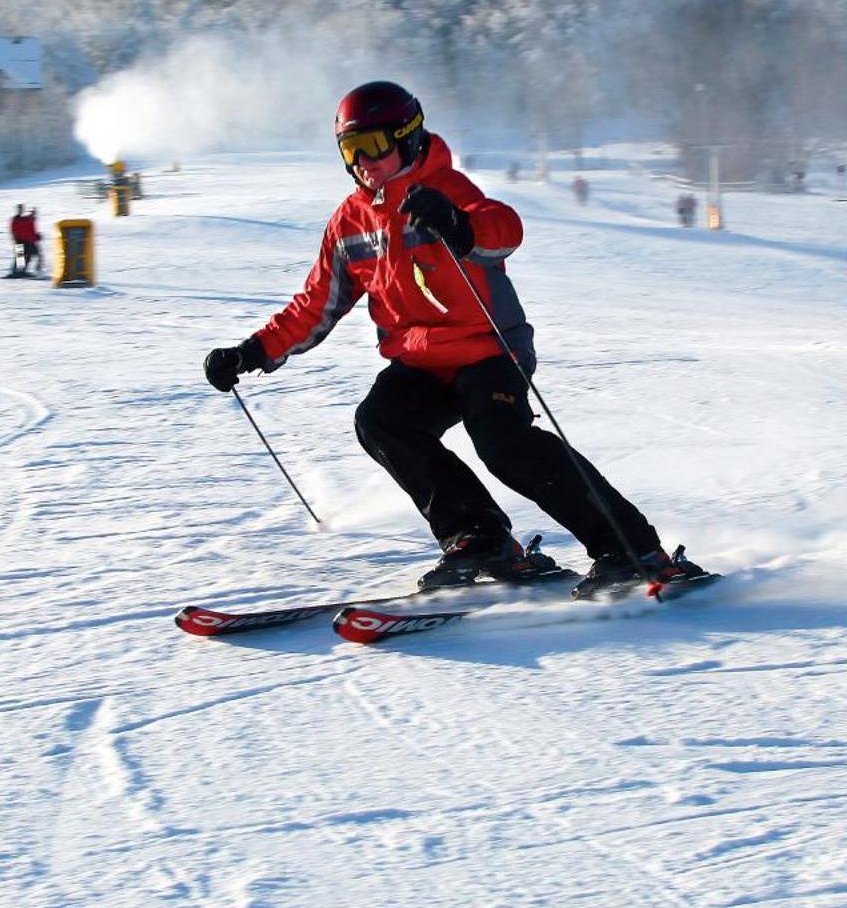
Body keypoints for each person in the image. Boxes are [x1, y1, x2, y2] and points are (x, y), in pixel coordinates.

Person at [202, 81, 701, 599]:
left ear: (409, 137)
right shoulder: (349, 223)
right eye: (350, 150)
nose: (362, 162)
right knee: (381, 421)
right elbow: (316, 304)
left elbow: (504, 228)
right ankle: (479, 537)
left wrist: (459, 225)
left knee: (502, 442)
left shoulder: (447, 190)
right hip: (420, 361)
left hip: (489, 348)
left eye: (373, 146)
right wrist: (252, 351)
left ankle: (630, 548)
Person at [8, 204, 41, 276]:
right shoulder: (17, 219)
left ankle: (22, 271)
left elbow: (31, 231)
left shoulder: (29, 219)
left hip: (28, 241)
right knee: (20, 257)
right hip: (20, 240)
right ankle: (16, 272)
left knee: (29, 256)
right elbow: (19, 228)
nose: (21, 211)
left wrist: (36, 237)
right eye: (20, 209)